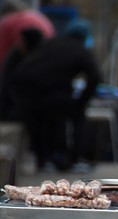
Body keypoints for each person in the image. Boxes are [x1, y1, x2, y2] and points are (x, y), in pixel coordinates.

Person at [10, 19, 100, 172]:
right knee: (73, 116)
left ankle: (45, 160)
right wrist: (81, 101)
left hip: (22, 89)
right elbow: (95, 78)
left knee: (44, 120)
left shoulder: (51, 43)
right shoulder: (80, 50)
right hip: (45, 90)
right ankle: (71, 160)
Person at [0, 0, 54, 67]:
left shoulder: (8, 21)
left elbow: (2, 53)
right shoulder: (38, 16)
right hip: (49, 58)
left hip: (27, 62)